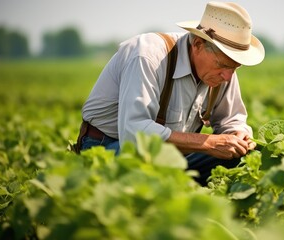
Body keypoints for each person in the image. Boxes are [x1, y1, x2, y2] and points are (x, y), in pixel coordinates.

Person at [75, 1, 265, 185]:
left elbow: (232, 120)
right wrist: (208, 143)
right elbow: (134, 133)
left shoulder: (224, 72)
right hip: (111, 147)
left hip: (174, 156)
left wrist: (237, 135)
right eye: (223, 65)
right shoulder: (148, 55)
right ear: (198, 44)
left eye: (235, 67)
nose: (228, 76)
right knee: (149, 167)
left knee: (243, 158)